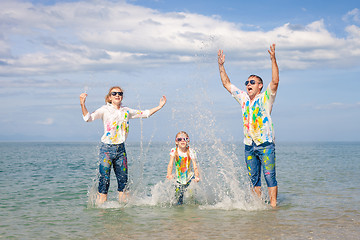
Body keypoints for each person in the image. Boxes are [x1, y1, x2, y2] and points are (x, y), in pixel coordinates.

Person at [79, 86, 167, 205]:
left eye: (119, 93)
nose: (117, 95)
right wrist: (82, 104)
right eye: (114, 93)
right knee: (104, 182)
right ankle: (100, 216)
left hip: (121, 150)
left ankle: (123, 216)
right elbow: (88, 118)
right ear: (109, 97)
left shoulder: (126, 110)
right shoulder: (104, 109)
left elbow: (145, 114)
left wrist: (159, 106)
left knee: (123, 183)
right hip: (107, 149)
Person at [217, 44, 279, 207]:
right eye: (247, 82)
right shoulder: (243, 98)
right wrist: (221, 66)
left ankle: (273, 207)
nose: (248, 84)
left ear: (259, 85)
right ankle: (258, 206)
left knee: (269, 176)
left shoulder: (266, 98)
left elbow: (275, 81)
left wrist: (273, 59)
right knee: (254, 179)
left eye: (252, 82)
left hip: (265, 145)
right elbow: (226, 83)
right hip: (249, 146)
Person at [166, 131, 200, 205]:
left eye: (185, 139)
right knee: (178, 199)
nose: (182, 141)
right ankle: (179, 215)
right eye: (179, 139)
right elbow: (170, 164)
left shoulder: (191, 151)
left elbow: (195, 166)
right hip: (178, 179)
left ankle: (193, 210)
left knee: (191, 196)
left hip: (190, 178)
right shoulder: (174, 151)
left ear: (188, 141)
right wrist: (169, 174)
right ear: (176, 141)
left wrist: (197, 177)